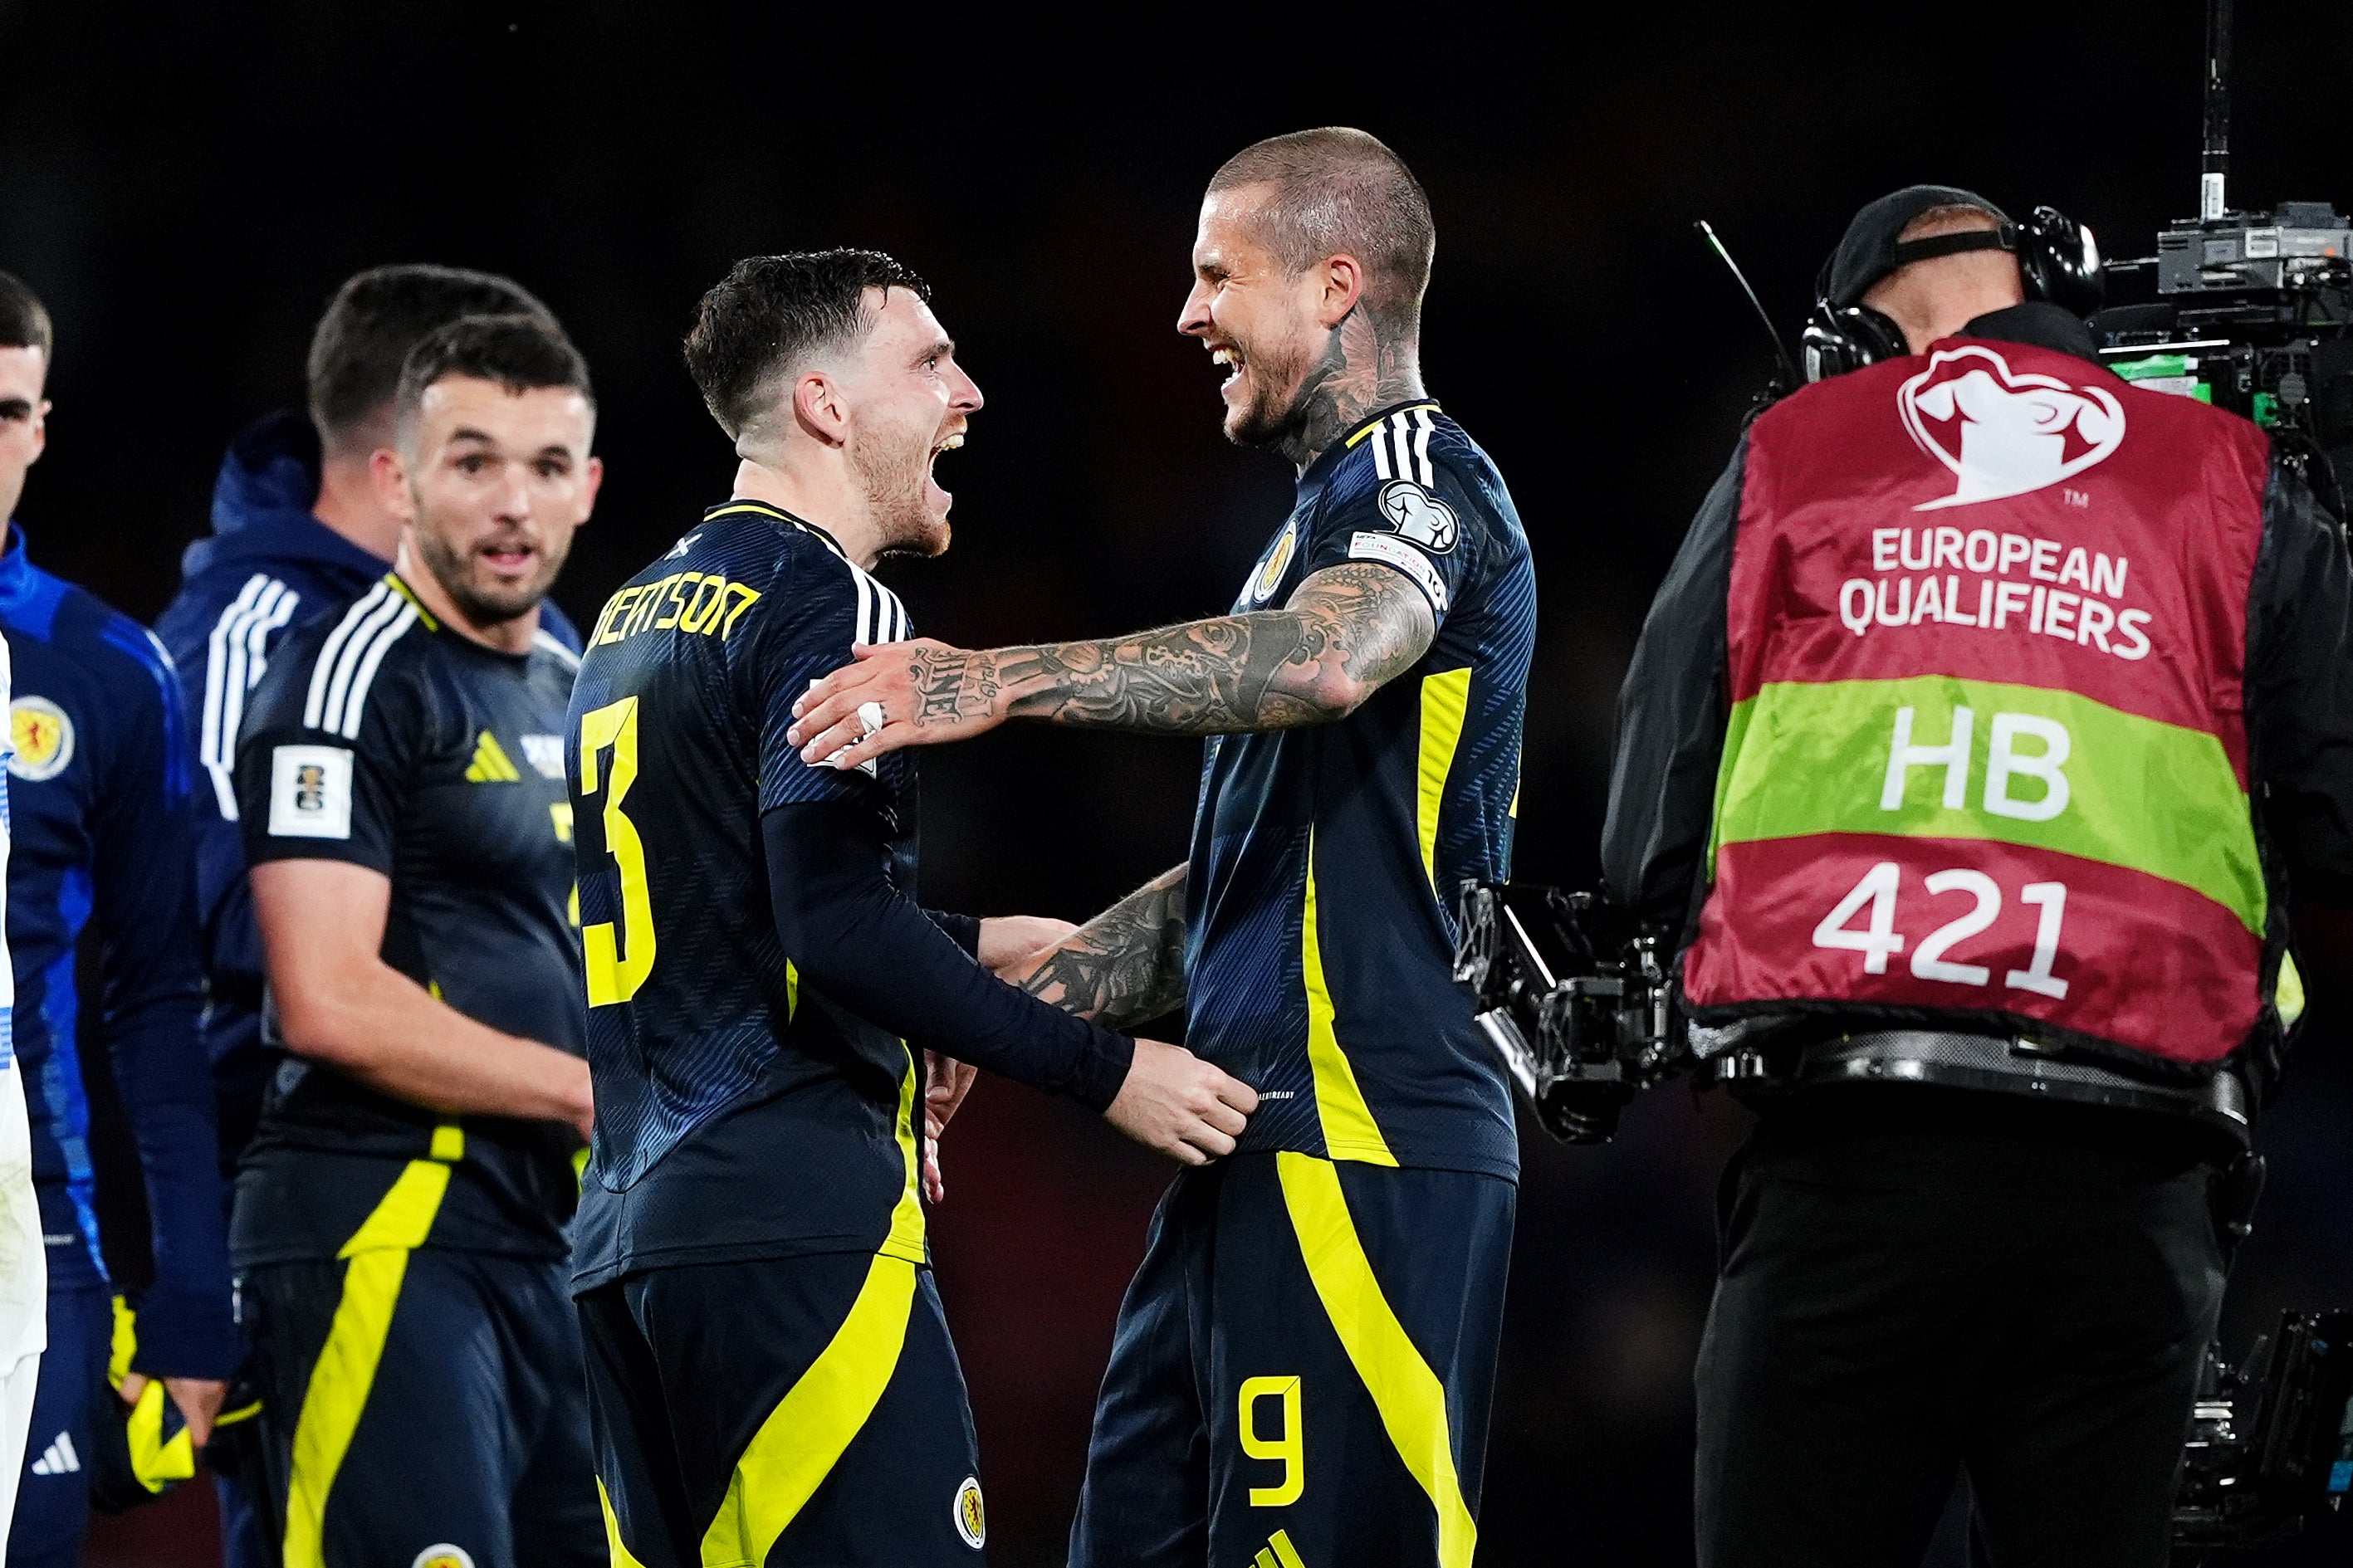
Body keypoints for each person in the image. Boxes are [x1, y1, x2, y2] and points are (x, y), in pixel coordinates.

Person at [791, 129, 1536, 1568]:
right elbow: (1250, 883)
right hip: (1246, 1139)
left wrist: (996, 678)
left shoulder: (1419, 477)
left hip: (1368, 1135)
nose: (1187, 315)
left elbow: (1326, 662)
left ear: (1333, 286)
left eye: (1216, 276)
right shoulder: (1302, 534)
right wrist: (1021, 1006)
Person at [1600, 187, 2353, 1567]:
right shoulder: (2237, 475)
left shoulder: (1798, 444)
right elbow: (2338, 822)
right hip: (2138, 1190)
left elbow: (1649, 831)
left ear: (1857, 330)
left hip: (1854, 1161)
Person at [569, 249, 1257, 1568]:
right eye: (929, 360)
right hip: (791, 1227)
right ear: (825, 405)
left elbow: (734, 914)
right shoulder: (827, 596)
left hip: (625, 1246)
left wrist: (974, 944)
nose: (968, 391)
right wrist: (1107, 1069)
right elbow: (832, 926)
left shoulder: (630, 615)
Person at [152, 261, 573, 1567]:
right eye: (480, 451)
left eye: (546, 460)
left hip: (534, 1211)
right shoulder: (261, 638)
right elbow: (225, 946)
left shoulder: (537, 643)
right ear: (405, 453)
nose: (516, 496)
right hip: (335, 1208)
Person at [0, 271, 237, 1564]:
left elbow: (154, 1001)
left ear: (41, 428)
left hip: (29, 1232)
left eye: (6, 413)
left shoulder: (106, 671)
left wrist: (191, 1295)